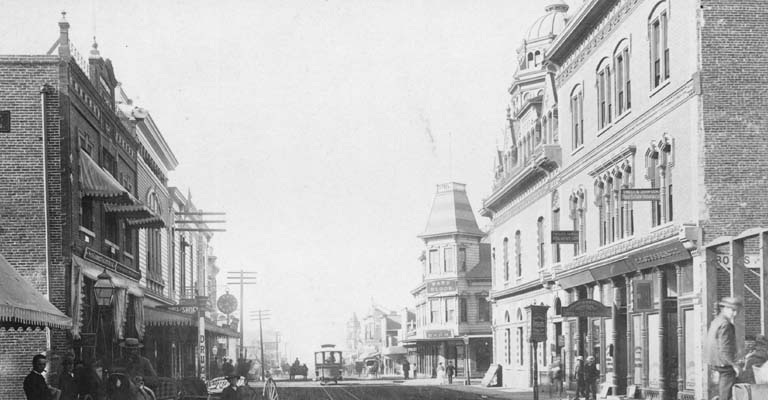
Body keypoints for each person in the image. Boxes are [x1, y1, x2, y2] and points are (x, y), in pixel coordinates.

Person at [707, 296, 743, 400]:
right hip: (725, 364)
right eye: (733, 310)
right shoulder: (726, 324)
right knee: (726, 394)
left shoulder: (717, 321)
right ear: (724, 308)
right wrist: (734, 365)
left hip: (716, 362)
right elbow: (725, 348)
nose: (735, 314)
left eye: (737, 311)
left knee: (722, 391)